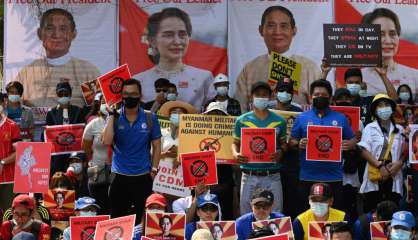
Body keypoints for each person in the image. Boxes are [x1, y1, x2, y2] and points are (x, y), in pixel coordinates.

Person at [235, 6, 321, 110]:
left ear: (294, 30)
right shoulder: (249, 69)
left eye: (284, 26)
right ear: (261, 30)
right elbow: (241, 109)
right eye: (271, 26)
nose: (277, 32)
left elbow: (319, 108)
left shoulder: (310, 68)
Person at [289, 79, 356, 210]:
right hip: (307, 176)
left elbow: (353, 139)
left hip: (334, 176)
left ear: (330, 98)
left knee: (334, 216)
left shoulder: (341, 118)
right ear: (310, 97)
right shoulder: (302, 117)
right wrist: (298, 143)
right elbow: (291, 141)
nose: (320, 97)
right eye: (316, 95)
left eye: (324, 95)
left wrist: (350, 144)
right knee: (307, 216)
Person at [14, 8, 100, 109]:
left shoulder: (88, 72)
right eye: (50, 28)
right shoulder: (26, 73)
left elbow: (98, 110)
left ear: (74, 34)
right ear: (39, 34)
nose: (56, 35)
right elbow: (14, 107)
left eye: (63, 29)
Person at [102, 79, 162, 223]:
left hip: (143, 177)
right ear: (121, 96)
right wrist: (111, 115)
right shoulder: (114, 117)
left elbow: (157, 145)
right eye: (126, 94)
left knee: (144, 221)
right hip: (119, 176)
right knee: (118, 221)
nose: (130, 97)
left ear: (140, 96)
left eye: (134, 94)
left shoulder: (150, 117)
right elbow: (107, 141)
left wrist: (153, 169)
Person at [134, 7, 214, 110]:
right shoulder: (139, 80)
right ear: (152, 41)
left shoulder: (204, 77)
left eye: (182, 34)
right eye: (168, 35)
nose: (177, 41)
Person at [232, 82, 287, 214]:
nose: (261, 97)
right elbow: (234, 143)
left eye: (264, 95)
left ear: (271, 96)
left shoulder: (280, 121)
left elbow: (284, 144)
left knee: (276, 214)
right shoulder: (241, 120)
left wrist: (281, 151)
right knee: (246, 214)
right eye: (258, 95)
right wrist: (235, 154)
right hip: (249, 174)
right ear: (251, 97)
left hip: (272, 175)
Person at [358, 94, 407, 213]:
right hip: (376, 173)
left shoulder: (400, 129)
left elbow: (405, 151)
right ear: (375, 110)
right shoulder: (370, 127)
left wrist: (399, 163)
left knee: (392, 211)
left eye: (386, 105)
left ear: (392, 108)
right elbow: (363, 150)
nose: (384, 108)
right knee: (373, 211)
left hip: (394, 173)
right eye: (380, 106)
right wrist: (380, 166)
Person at [361, 8, 418, 102]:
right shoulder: (359, 77)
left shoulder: (414, 76)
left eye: (392, 34)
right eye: (380, 34)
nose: (387, 41)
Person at [203, 102, 235, 220]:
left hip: (224, 182)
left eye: (219, 114)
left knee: (225, 215)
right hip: (202, 182)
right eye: (212, 114)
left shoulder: (232, 133)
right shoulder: (195, 132)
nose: (215, 117)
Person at [82, 93, 111, 214]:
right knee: (97, 203)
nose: (107, 105)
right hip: (96, 168)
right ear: (99, 104)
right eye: (104, 102)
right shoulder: (93, 124)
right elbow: (86, 147)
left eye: (110, 101)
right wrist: (93, 162)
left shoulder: (123, 122)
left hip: (118, 170)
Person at [159, 100, 197, 167]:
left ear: (186, 117)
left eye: (180, 113)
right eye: (174, 112)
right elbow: (151, 155)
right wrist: (165, 154)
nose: (177, 115)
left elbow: (196, 158)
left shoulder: (192, 136)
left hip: (181, 174)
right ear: (169, 116)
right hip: (161, 173)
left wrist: (180, 158)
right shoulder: (161, 132)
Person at [0, 93, 21, 210]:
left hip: (7, 179)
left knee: (8, 214)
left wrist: (2, 162)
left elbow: (19, 152)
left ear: (3, 104)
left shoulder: (11, 126)